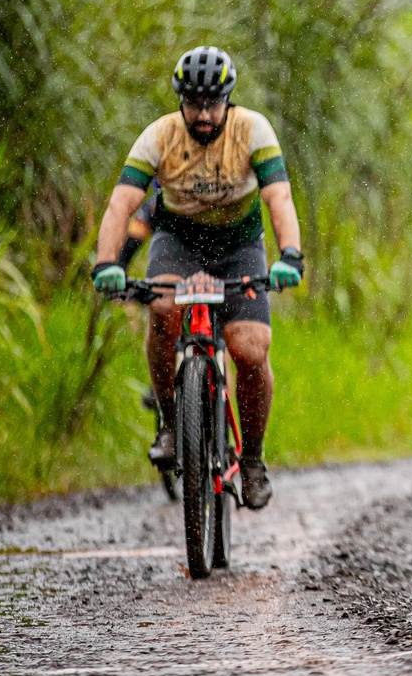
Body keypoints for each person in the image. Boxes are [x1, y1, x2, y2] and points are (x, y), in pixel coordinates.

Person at [91, 47, 304, 510]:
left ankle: (252, 459)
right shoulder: (159, 136)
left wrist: (290, 254)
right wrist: (107, 263)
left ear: (228, 100)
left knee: (250, 349)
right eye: (193, 104)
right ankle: (171, 424)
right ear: (180, 101)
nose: (204, 115)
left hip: (239, 247)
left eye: (213, 104)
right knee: (163, 309)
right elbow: (122, 202)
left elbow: (279, 197)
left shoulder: (253, 130)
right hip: (179, 242)